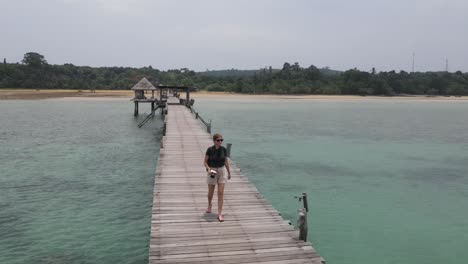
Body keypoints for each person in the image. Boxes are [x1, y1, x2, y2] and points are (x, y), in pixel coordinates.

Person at [204, 133, 231, 222]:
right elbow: (205, 161)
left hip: (222, 170)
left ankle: (219, 214)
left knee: (220, 192)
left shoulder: (223, 149)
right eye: (218, 140)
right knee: (210, 193)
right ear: (214, 141)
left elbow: (226, 161)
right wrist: (208, 168)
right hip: (213, 170)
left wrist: (229, 172)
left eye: (221, 140)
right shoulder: (210, 150)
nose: (220, 142)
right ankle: (209, 205)